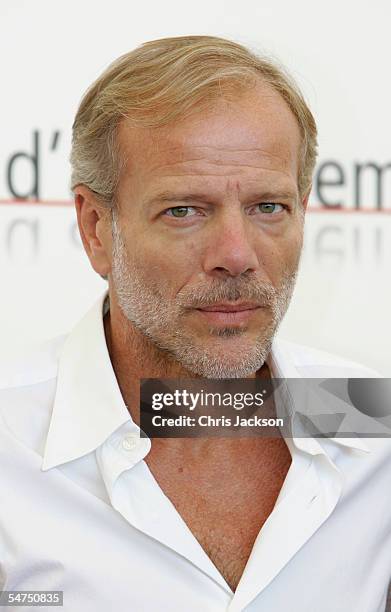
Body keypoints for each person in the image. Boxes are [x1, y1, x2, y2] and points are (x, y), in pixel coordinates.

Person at [0, 35, 390, 612]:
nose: (236, 254)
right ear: (95, 228)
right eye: (183, 210)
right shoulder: (10, 445)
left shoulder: (371, 427)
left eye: (268, 207)